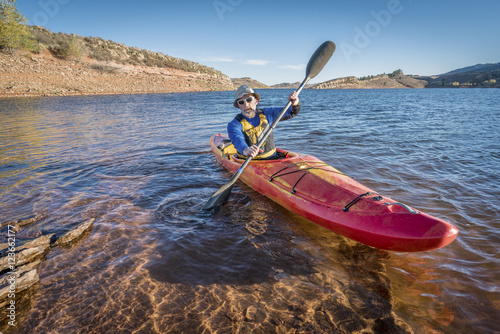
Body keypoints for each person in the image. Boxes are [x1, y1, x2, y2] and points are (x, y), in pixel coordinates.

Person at [227, 85, 301, 159]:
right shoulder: (234, 124)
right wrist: (245, 149)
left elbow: (291, 112)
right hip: (249, 161)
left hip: (272, 158)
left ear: (256, 101)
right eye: (241, 102)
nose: (246, 105)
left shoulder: (268, 113)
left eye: (249, 100)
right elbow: (236, 138)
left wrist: (295, 104)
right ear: (239, 105)